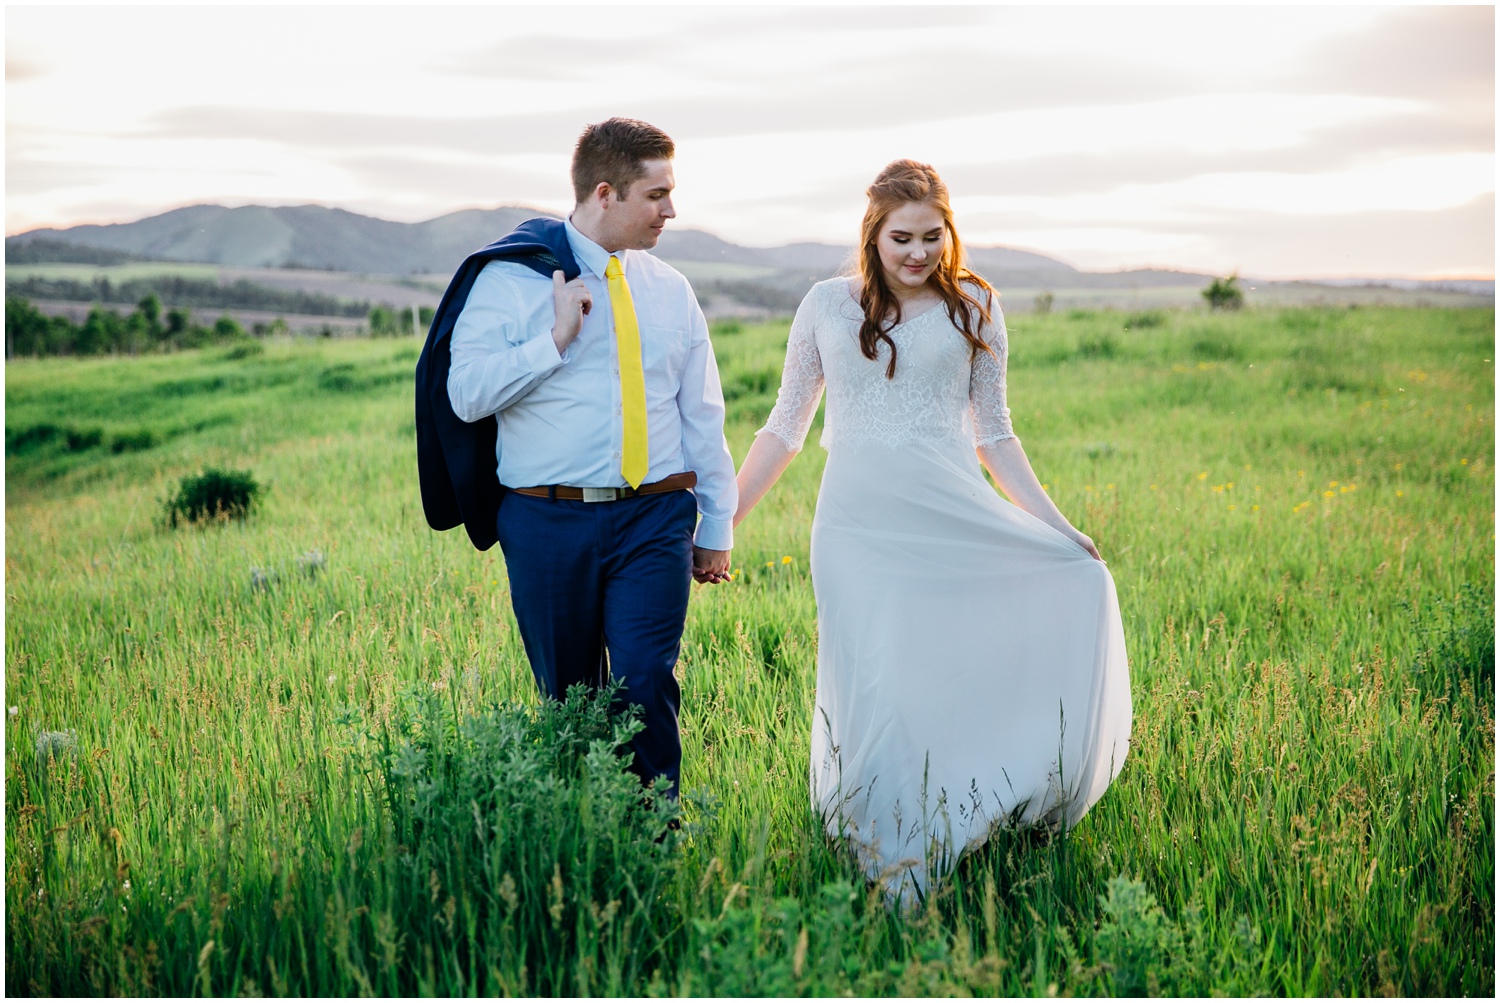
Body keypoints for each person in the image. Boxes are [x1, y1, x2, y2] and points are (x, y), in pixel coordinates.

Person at [733, 160, 1132, 899]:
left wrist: (1057, 526)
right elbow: (785, 427)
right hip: (855, 527)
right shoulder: (825, 305)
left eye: (931, 236)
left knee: (932, 676)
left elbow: (996, 434)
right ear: (872, 237)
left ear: (950, 232)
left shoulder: (976, 303)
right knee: (876, 681)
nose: (918, 253)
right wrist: (724, 517)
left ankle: (951, 822)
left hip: (950, 517)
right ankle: (879, 843)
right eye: (901, 238)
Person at [440, 118, 737, 799]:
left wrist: (715, 525)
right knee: (570, 701)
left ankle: (652, 848)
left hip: (654, 519)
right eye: (657, 194)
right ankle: (581, 839)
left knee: (645, 683)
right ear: (606, 192)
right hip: (547, 522)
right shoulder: (509, 281)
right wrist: (554, 339)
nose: (671, 209)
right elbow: (465, 395)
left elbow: (702, 415)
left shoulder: (671, 290)